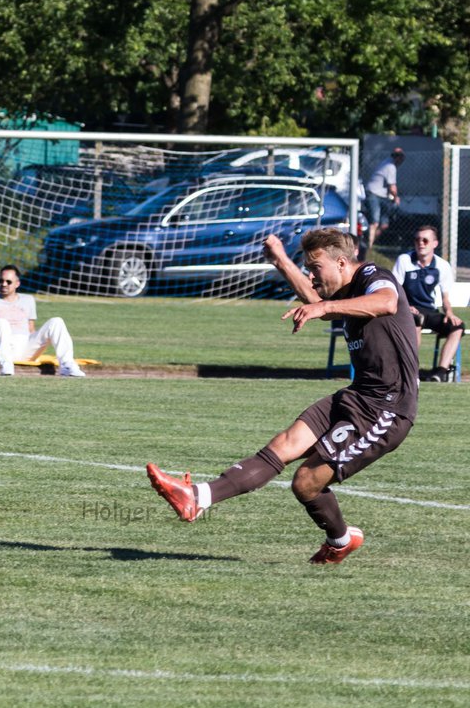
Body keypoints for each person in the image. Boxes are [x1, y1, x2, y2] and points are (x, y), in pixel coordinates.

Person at [147, 229, 419, 564]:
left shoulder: (372, 276)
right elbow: (317, 301)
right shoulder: (346, 290)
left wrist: (324, 307)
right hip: (357, 396)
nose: (311, 274)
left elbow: (387, 301)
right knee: (284, 444)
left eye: (315, 267)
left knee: (305, 483)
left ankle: (340, 540)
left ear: (342, 263)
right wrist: (280, 260)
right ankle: (197, 498)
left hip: (387, 409)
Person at [0, 265, 85, 377]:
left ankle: (67, 365)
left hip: (26, 346)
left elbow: (31, 329)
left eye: (8, 282)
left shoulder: (28, 300)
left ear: (17, 283)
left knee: (56, 321)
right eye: (1, 281)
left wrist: (38, 344)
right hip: (2, 348)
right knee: (2, 322)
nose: (4, 284)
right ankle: (6, 366)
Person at [392, 224, 464, 382]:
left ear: (435, 244)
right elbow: (394, 290)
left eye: (425, 240)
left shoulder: (442, 266)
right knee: (416, 320)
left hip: (429, 310)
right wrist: (405, 306)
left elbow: (445, 298)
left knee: (458, 326)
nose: (421, 243)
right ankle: (410, 371)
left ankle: (440, 372)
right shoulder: (404, 260)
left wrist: (450, 313)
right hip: (407, 310)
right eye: (417, 240)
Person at [365, 147, 404, 252]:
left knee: (384, 224)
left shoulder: (388, 163)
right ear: (398, 158)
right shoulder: (390, 166)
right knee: (375, 222)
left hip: (383, 196)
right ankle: (369, 246)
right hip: (374, 194)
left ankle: (370, 242)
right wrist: (396, 198)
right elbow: (392, 188)